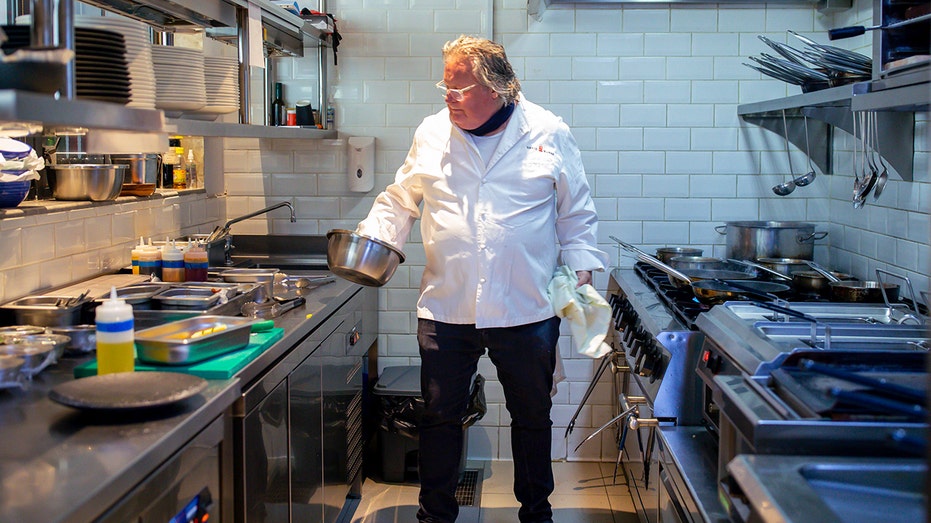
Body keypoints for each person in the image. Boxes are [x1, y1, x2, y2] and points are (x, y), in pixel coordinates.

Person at [356, 34, 608, 523]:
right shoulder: (432, 132)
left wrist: (580, 277)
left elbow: (576, 214)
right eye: (445, 87)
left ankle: (536, 513)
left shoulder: (548, 131)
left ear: (497, 88)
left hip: (526, 306)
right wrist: (373, 242)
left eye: (459, 88)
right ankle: (435, 516)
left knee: (532, 418)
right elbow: (399, 199)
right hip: (448, 305)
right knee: (440, 419)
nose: (447, 97)